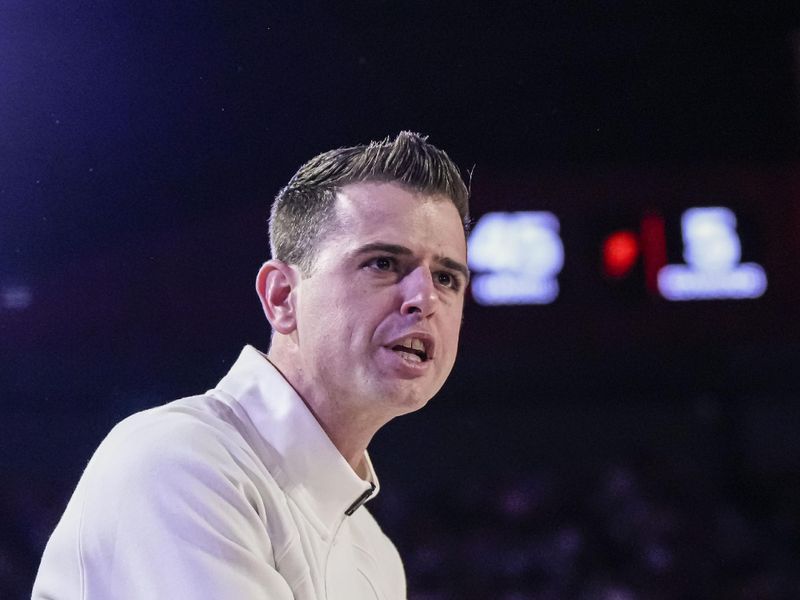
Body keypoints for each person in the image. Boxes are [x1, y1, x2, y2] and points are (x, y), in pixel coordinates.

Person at [33, 131, 471, 599]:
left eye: (446, 277)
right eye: (383, 263)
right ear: (282, 297)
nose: (424, 298)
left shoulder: (374, 553)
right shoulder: (181, 461)